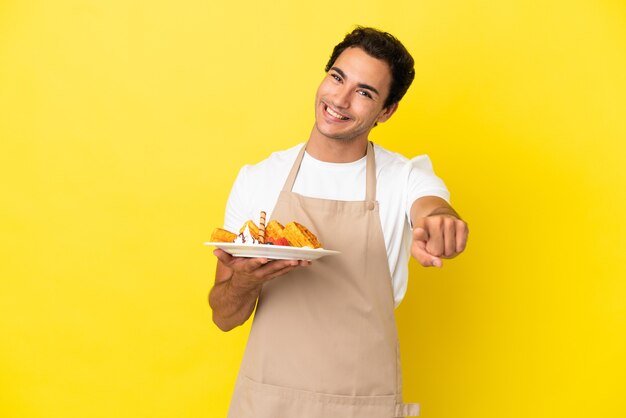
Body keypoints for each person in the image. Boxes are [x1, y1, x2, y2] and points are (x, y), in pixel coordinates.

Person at [209, 26, 468, 418]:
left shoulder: (404, 176)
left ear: (386, 111)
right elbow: (223, 317)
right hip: (268, 403)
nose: (340, 99)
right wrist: (246, 279)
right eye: (337, 77)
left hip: (362, 405)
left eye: (364, 92)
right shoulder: (259, 178)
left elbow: (431, 208)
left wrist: (440, 222)